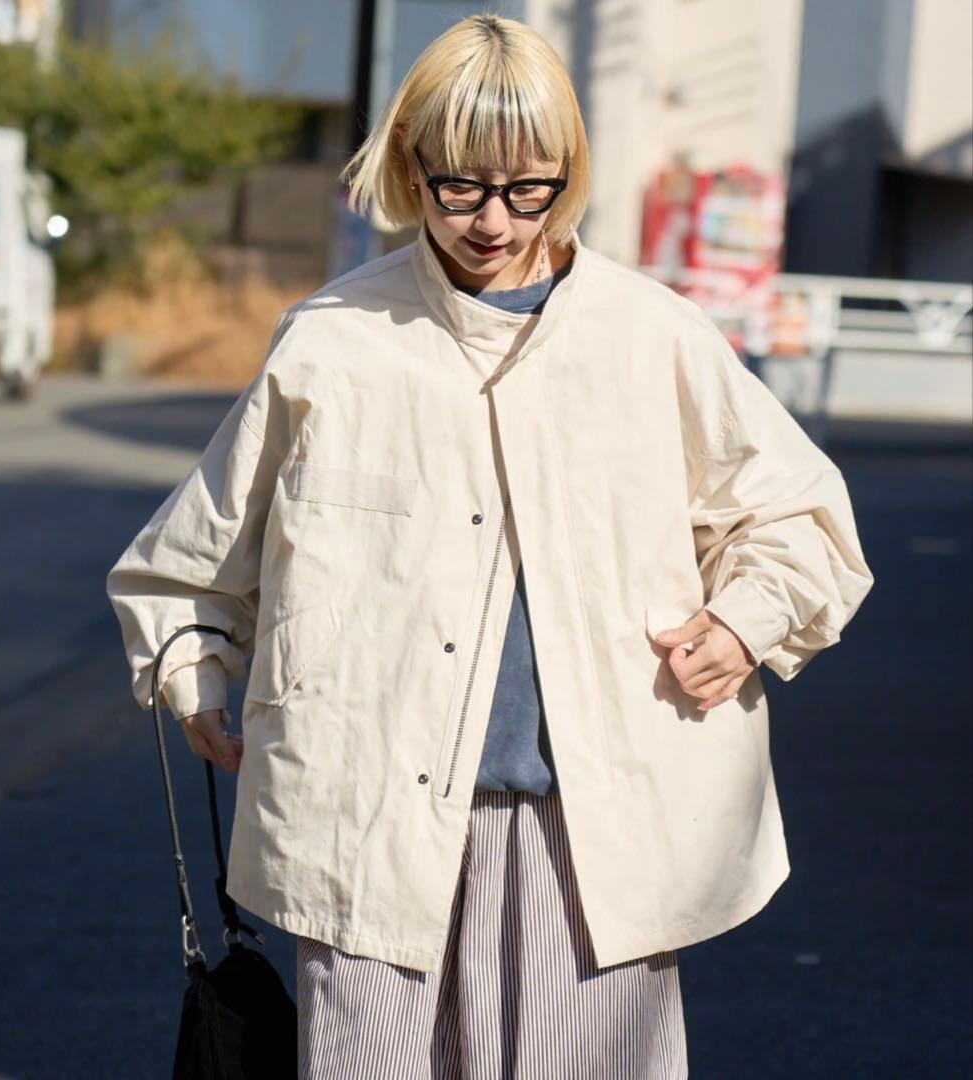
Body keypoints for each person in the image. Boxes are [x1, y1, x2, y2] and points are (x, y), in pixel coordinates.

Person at [106, 13, 874, 1079]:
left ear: (569, 173)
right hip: (364, 817)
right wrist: (193, 666)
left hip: (595, 827)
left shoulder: (651, 336)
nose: (492, 220)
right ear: (410, 162)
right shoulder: (333, 341)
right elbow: (192, 558)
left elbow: (798, 515)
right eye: (459, 186)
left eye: (528, 189)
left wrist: (745, 622)